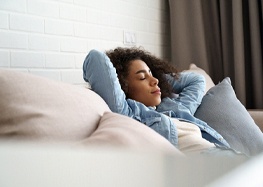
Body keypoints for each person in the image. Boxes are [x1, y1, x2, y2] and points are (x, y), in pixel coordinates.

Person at [83, 47, 245, 157]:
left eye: (152, 74)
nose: (154, 81)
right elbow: (96, 58)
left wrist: (161, 77)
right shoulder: (129, 112)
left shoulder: (176, 108)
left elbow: (196, 81)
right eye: (142, 77)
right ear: (123, 86)